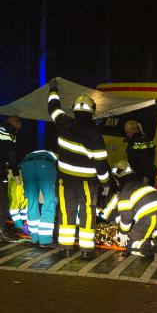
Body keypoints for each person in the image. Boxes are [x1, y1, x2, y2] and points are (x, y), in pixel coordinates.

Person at [47, 80, 110, 260]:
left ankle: (66, 248)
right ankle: (86, 250)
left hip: (65, 181)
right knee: (88, 213)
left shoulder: (64, 123)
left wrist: (53, 89)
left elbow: (53, 108)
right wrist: (105, 183)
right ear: (92, 112)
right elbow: (101, 163)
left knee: (66, 212)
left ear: (74, 110)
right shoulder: (95, 135)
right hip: (87, 183)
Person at [99, 160, 157, 261]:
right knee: (143, 234)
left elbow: (127, 216)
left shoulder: (125, 192)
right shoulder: (141, 185)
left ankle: (152, 246)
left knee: (129, 244)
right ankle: (151, 243)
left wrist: (123, 233)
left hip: (152, 217)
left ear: (116, 180)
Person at [19, 150, 58, 247]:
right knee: (49, 200)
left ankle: (34, 237)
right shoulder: (54, 156)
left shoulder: (33, 152)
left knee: (32, 202)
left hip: (26, 166)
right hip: (45, 165)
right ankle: (45, 239)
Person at [124, 120, 156, 185]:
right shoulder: (132, 140)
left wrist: (146, 176)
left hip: (145, 174)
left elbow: (149, 160)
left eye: (128, 132)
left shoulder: (145, 141)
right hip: (137, 174)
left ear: (134, 130)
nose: (127, 134)